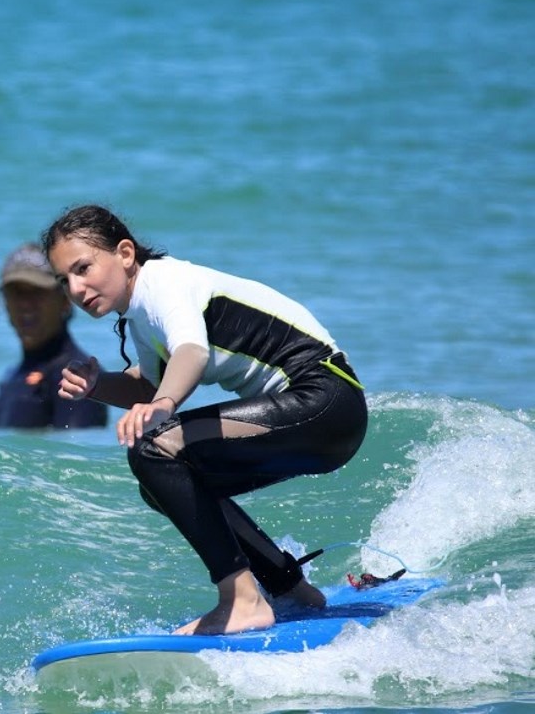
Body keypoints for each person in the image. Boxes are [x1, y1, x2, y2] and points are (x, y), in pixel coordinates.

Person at [41, 204, 368, 635]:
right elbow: (149, 385)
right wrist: (98, 384)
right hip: (322, 415)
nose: (77, 288)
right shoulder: (141, 315)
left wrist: (162, 408)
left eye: (83, 268)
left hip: (325, 400)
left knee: (154, 449)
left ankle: (242, 599)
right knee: (162, 482)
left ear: (124, 253)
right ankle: (288, 588)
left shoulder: (163, 283)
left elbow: (190, 353)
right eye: (65, 280)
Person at [0, 243, 108, 430]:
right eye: (16, 292)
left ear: (65, 300)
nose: (25, 304)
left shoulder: (77, 378)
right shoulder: (13, 375)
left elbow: (77, 454)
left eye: (37, 291)